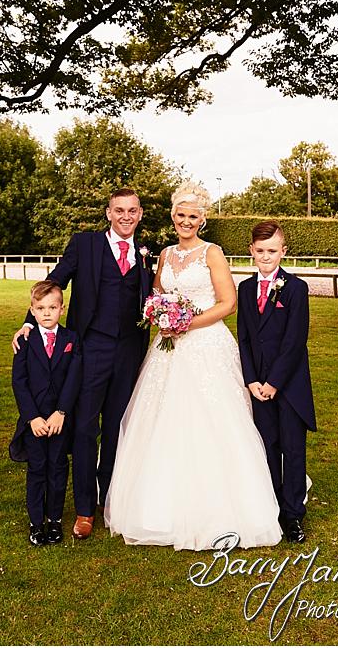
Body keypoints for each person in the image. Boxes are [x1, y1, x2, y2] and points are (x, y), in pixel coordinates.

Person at [105, 181, 282, 550]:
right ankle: (157, 508)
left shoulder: (212, 253)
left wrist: (186, 322)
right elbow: (155, 295)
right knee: (160, 420)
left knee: (214, 420)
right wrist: (159, 314)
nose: (186, 221)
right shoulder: (165, 255)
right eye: (180, 215)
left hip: (205, 345)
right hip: (167, 348)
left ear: (202, 219)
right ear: (173, 217)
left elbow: (227, 303)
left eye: (193, 216)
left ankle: (227, 508)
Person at [12, 188, 153, 539]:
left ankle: (111, 500)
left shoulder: (147, 252)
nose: (125, 216)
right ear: (108, 213)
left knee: (118, 428)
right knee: (86, 429)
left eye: (132, 211)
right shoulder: (84, 244)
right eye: (118, 210)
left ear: (139, 214)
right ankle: (85, 509)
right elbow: (54, 281)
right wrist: (30, 322)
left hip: (130, 350)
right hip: (89, 349)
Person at [237, 221, 315, 544]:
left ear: (283, 251)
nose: (266, 256)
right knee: (267, 448)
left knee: (293, 450)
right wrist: (252, 380)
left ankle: (294, 514)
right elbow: (244, 337)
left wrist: (274, 382)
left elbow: (295, 341)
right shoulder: (243, 289)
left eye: (272, 250)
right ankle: (273, 509)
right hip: (259, 388)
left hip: (289, 386)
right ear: (251, 252)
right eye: (260, 251)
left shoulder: (296, 288)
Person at [9, 281, 82, 546]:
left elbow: (74, 379)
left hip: (59, 419)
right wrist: (33, 418)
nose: (47, 313)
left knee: (58, 468)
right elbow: (19, 382)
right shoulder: (24, 340)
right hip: (35, 421)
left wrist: (61, 412)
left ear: (61, 309)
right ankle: (36, 522)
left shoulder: (71, 339)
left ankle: (54, 520)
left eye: (52, 307)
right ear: (32, 310)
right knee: (38, 469)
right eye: (40, 308)